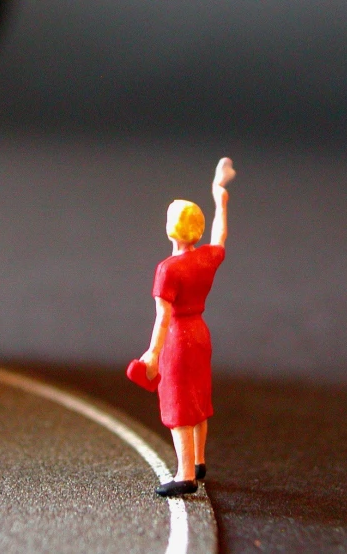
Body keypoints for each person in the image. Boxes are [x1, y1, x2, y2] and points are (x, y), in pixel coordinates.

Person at [140, 157, 235, 497]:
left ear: (172, 229)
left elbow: (162, 317)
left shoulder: (167, 270)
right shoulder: (206, 258)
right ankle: (199, 461)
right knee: (198, 400)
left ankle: (185, 475)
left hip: (178, 339)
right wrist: (218, 196)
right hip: (200, 334)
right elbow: (220, 235)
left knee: (180, 405)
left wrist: (152, 354)